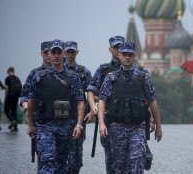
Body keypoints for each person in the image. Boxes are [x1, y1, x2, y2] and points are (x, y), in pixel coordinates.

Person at [98, 41, 162, 173]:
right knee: (120, 166)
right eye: (125, 54)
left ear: (134, 56)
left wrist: (158, 126)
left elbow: (152, 101)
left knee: (137, 160)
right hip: (117, 128)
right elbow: (102, 100)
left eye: (130, 55)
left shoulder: (143, 77)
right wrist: (101, 123)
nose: (127, 57)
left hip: (137, 127)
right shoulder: (111, 78)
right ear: (119, 55)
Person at [27, 39, 85, 173]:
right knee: (47, 161)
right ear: (49, 55)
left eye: (59, 52)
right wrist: (30, 124)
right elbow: (31, 101)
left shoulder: (73, 78)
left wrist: (78, 125)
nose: (57, 55)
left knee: (62, 164)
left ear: (63, 54)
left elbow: (80, 101)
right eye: (54, 52)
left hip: (66, 127)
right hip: (45, 126)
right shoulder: (39, 77)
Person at [85, 35, 125, 174]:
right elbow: (91, 90)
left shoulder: (134, 71)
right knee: (112, 160)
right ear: (110, 49)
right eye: (115, 47)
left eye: (121, 47)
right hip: (108, 120)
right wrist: (93, 106)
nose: (118, 50)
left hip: (129, 121)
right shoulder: (103, 70)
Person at [64, 41, 92, 174]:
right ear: (64, 53)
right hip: (59, 117)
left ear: (77, 53)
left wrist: (92, 110)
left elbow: (91, 93)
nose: (70, 55)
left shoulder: (83, 71)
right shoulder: (55, 70)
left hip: (78, 117)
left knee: (76, 153)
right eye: (68, 52)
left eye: (72, 52)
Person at [20, 41, 51, 114]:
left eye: (51, 53)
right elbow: (24, 95)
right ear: (41, 54)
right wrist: (27, 110)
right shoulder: (35, 73)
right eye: (46, 53)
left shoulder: (63, 73)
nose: (48, 55)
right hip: (39, 117)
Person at [4, 66, 22, 132]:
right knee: (14, 111)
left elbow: (6, 88)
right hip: (16, 96)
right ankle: (15, 127)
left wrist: (5, 97)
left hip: (9, 96)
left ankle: (13, 120)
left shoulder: (7, 78)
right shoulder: (17, 78)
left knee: (6, 110)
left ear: (8, 72)